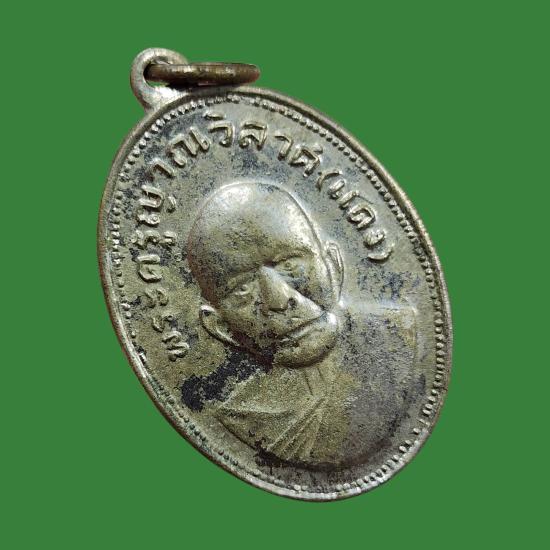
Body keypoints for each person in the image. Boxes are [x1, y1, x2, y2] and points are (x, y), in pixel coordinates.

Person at [183, 181, 418, 468]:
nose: (279, 299)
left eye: (290, 265)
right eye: (243, 288)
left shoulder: (403, 338)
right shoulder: (243, 419)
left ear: (333, 265)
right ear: (220, 327)